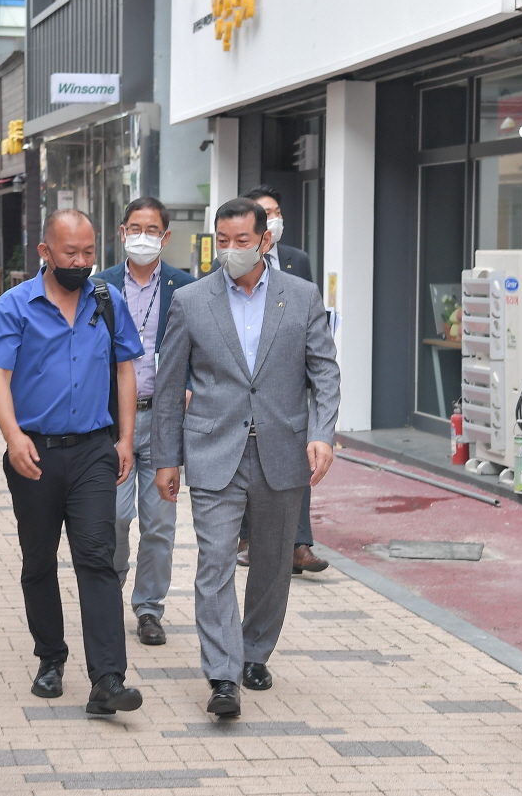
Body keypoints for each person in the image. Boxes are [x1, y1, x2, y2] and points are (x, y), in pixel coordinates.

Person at [153, 197, 341, 718]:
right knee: (214, 561)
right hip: (214, 449)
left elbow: (324, 372)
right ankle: (222, 675)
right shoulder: (191, 300)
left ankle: (255, 652)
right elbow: (169, 387)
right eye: (223, 241)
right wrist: (166, 458)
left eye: (241, 240)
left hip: (282, 449)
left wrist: (322, 433)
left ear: (264, 240)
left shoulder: (300, 296)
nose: (231, 249)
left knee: (273, 562)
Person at [0, 209, 146, 716]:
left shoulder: (106, 302)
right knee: (39, 560)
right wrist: (12, 437)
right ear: (45, 252)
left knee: (97, 556)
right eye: (70, 253)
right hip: (35, 453)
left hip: (93, 450)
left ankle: (108, 678)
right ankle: (50, 657)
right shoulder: (14, 306)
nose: (81, 262)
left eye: (89, 252)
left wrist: (125, 439)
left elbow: (126, 369)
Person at [95, 197, 196, 647]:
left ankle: (150, 607)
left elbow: (202, 348)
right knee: (114, 516)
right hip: (112, 420)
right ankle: (110, 588)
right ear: (122, 232)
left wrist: (190, 385)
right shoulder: (99, 287)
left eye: (152, 229)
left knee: (159, 523)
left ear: (165, 236)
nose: (142, 237)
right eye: (135, 228)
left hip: (163, 419)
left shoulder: (186, 288)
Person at [235, 185, 328, 574]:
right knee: (248, 463)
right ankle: (248, 537)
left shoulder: (296, 261)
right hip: (247, 384)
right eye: (265, 212)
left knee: (296, 462)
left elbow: (311, 315)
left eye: (276, 211)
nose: (272, 218)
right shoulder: (231, 262)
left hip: (288, 383)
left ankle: (298, 544)